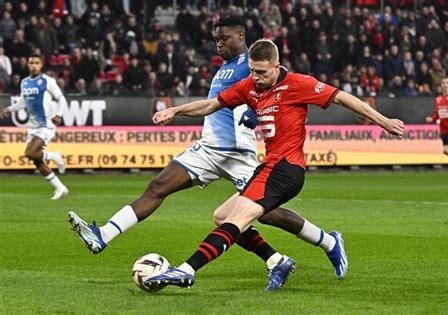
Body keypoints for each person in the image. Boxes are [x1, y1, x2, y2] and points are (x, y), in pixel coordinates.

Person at [68, 16, 349, 291]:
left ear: (241, 37)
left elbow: (275, 88)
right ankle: (104, 234)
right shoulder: (226, 67)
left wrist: (253, 114)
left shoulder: (250, 64)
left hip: (238, 152)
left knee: (264, 214)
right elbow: (213, 104)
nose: (219, 44)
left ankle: (327, 241)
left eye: (224, 38)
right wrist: (175, 111)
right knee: (157, 187)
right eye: (216, 39)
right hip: (208, 147)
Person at [144, 39, 405, 291]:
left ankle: (187, 270)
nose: (256, 77)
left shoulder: (298, 84)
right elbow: (211, 105)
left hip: (286, 170)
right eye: (252, 71)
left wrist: (383, 121)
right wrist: (175, 111)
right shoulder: (249, 86)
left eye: (261, 72)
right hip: (268, 167)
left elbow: (342, 98)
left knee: (235, 220)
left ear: (276, 66)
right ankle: (324, 243)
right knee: (221, 216)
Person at [0, 53, 68, 200]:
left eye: (36, 63)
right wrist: (8, 109)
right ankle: (60, 188)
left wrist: (59, 114)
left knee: (30, 153)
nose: (33, 66)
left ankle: (55, 156)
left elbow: (62, 99)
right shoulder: (24, 82)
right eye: (31, 63)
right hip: (32, 126)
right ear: (28, 65)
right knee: (36, 160)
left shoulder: (47, 81)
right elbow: (23, 102)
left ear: (41, 65)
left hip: (46, 124)